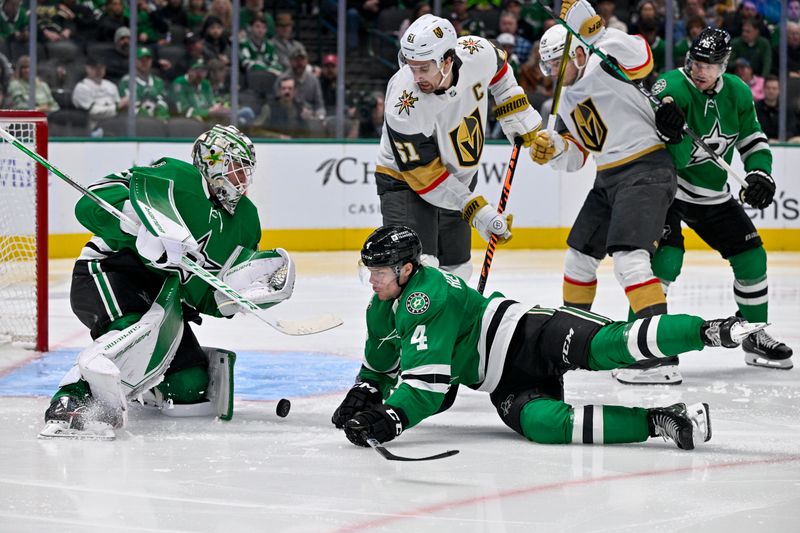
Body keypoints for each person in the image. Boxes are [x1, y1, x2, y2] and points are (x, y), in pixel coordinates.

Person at [331, 225, 764, 451]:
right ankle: (664, 420)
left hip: (530, 331)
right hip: (503, 382)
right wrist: (366, 389)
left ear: (407, 269)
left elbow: (428, 389)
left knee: (610, 346)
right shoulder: (382, 306)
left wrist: (393, 418)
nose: (372, 280)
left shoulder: (425, 297)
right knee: (544, 426)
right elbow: (381, 364)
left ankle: (709, 331)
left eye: (381, 271)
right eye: (369, 270)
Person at [40, 125, 295, 440]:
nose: (242, 181)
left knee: (189, 386)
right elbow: (91, 204)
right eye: (236, 169)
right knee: (134, 330)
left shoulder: (246, 221)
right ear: (213, 161)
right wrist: (141, 225)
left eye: (247, 173)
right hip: (113, 270)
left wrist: (235, 298)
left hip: (165, 298)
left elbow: (202, 295)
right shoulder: (174, 177)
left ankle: (137, 380)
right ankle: (70, 401)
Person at [529, 2, 683, 381]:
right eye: (548, 66)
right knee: (578, 259)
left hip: (646, 168)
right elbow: (580, 153)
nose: (552, 72)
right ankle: (570, 337)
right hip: (608, 177)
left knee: (630, 259)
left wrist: (594, 30)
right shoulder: (563, 97)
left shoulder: (606, 61)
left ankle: (656, 354)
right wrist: (554, 151)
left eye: (557, 63)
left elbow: (643, 57)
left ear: (579, 53)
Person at [637, 27, 794, 381]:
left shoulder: (737, 91)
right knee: (667, 258)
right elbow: (643, 140)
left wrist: (760, 174)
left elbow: (753, 139)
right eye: (697, 62)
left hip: (712, 194)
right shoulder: (669, 88)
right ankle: (640, 343)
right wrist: (665, 129)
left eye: (710, 64)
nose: (701, 70)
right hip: (668, 188)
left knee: (752, 256)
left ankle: (753, 333)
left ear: (724, 65)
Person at [374, 13, 542, 281]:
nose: (415, 77)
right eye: (410, 66)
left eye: (424, 68)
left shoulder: (478, 52)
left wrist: (513, 109)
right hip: (405, 180)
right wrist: (478, 211)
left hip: (458, 177)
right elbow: (424, 177)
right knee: (416, 272)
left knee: (458, 270)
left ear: (447, 60)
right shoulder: (403, 106)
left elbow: (500, 71)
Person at [71, 56, 126, 133]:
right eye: (95, 68)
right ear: (87, 68)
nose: (98, 71)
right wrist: (116, 108)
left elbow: (119, 107)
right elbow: (92, 112)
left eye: (101, 68)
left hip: (113, 126)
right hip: (90, 128)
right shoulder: (81, 87)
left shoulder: (111, 85)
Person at [118, 47, 170, 120]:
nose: (145, 62)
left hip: (158, 122)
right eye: (141, 60)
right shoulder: (126, 82)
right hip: (136, 122)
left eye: (147, 59)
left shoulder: (158, 81)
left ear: (151, 61)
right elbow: (129, 106)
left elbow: (163, 103)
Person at [755, 75, 799, 141]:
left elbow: (792, 129)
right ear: (763, 89)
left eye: (774, 88)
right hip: (762, 143)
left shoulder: (786, 108)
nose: (771, 91)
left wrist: (780, 140)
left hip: (784, 144)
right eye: (768, 88)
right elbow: (754, 130)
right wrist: (768, 140)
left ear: (779, 90)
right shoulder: (756, 108)